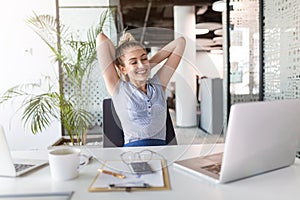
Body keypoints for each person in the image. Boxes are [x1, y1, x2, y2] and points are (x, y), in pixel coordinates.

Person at [96, 31, 186, 147]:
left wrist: (146, 66)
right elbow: (101, 38)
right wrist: (126, 65)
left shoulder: (158, 85)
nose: (141, 64)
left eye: (144, 59)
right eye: (133, 62)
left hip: (161, 155)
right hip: (133, 157)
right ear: (123, 69)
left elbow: (180, 42)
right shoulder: (118, 88)